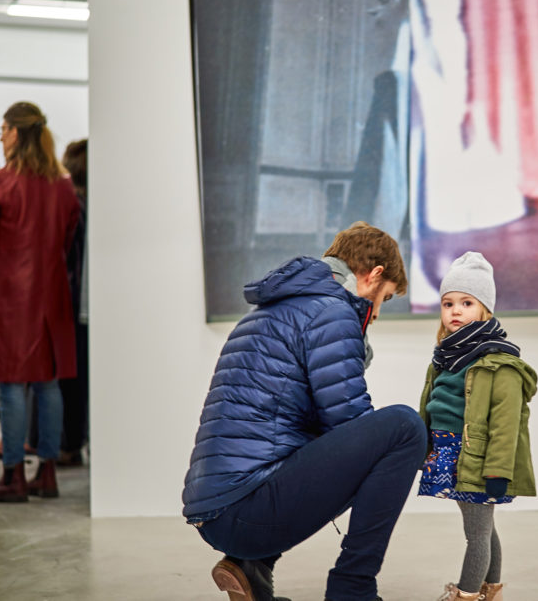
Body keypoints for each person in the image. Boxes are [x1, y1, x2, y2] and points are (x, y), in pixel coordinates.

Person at [182, 221, 427, 601]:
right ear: (374, 275)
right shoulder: (331, 311)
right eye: (386, 297)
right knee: (406, 428)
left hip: (217, 510)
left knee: (318, 437)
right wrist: (419, 455)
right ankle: (353, 588)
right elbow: (348, 422)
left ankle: (251, 567)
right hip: (245, 509)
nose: (377, 312)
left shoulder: (275, 310)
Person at [416, 252, 538, 601]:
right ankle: (491, 589)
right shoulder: (444, 357)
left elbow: (505, 425)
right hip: (448, 453)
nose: (455, 310)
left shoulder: (500, 365)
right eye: (448, 303)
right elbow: (430, 407)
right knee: (484, 528)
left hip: (477, 458)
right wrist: (423, 448)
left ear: (486, 310)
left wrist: (497, 471)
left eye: (467, 303)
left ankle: (466, 594)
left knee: (476, 534)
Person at [0, 101, 81, 502]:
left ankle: (12, 476)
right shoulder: (62, 185)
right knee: (48, 384)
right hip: (52, 296)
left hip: (10, 298)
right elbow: (68, 236)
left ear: (16, 133)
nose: (0, 135)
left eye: (3, 129)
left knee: (9, 386)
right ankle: (47, 473)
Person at [59, 138, 88, 466]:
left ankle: (70, 446)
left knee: (72, 380)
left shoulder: (74, 205)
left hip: (74, 302)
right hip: (83, 305)